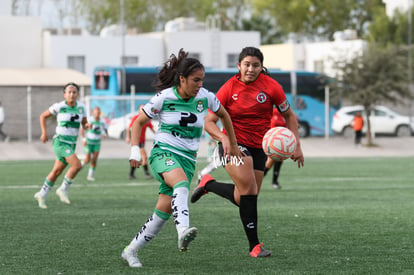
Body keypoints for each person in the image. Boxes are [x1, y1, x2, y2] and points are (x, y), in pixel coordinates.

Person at [121, 49, 240, 268]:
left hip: (187, 160)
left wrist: (229, 142)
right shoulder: (164, 98)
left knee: (161, 214)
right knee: (182, 184)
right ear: (182, 79)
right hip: (163, 153)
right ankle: (183, 230)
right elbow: (138, 122)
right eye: (195, 80)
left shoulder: (206, 97)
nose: (199, 84)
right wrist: (135, 151)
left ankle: (130, 251)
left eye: (202, 80)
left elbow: (224, 115)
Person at [191, 46, 305, 258]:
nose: (251, 69)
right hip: (234, 146)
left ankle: (208, 183)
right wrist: (224, 138)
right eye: (247, 64)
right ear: (239, 66)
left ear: (262, 67)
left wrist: (296, 145)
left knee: (243, 196)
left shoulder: (272, 87)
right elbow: (209, 122)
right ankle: (254, 246)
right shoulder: (228, 88)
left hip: (260, 147)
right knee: (250, 192)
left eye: (256, 65)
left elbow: (289, 115)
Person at [34, 82, 91, 209]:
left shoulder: (82, 107)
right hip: (60, 142)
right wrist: (44, 133)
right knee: (77, 165)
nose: (71, 94)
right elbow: (43, 116)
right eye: (69, 92)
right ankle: (63, 189)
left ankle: (42, 194)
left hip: (71, 144)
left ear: (77, 94)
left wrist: (87, 126)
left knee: (57, 171)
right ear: (64, 94)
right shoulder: (59, 106)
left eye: (74, 92)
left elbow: (84, 123)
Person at [125, 105, 155, 180]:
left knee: (137, 158)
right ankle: (147, 173)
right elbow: (129, 128)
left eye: (143, 109)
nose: (142, 110)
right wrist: (128, 137)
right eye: (141, 109)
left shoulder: (147, 119)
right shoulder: (136, 118)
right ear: (138, 110)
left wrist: (159, 135)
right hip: (136, 141)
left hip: (142, 141)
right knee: (144, 156)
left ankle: (131, 174)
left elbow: (152, 129)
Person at [80, 106, 108, 181]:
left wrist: (105, 134)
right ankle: (80, 166)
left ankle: (90, 175)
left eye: (98, 112)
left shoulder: (102, 121)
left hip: (97, 143)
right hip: (89, 142)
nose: (97, 113)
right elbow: (82, 130)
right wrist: (84, 139)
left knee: (95, 159)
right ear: (93, 112)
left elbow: (105, 130)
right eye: (95, 112)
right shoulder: (89, 120)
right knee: (88, 159)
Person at [263, 108, 287, 190]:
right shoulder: (273, 112)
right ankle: (257, 180)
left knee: (279, 160)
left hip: (281, 141)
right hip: (272, 141)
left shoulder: (285, 113)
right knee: (270, 161)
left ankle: (275, 182)